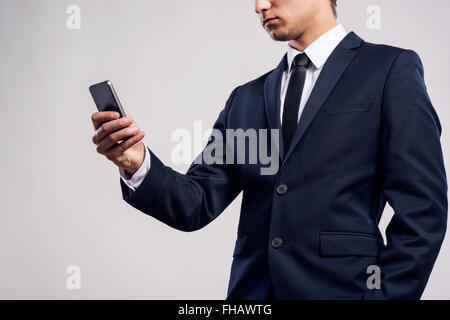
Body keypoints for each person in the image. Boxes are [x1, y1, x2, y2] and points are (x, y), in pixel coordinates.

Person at [91, 0, 447, 299]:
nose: (259, 5)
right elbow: (196, 203)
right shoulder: (245, 98)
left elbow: (423, 211)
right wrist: (136, 164)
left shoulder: (389, 70)